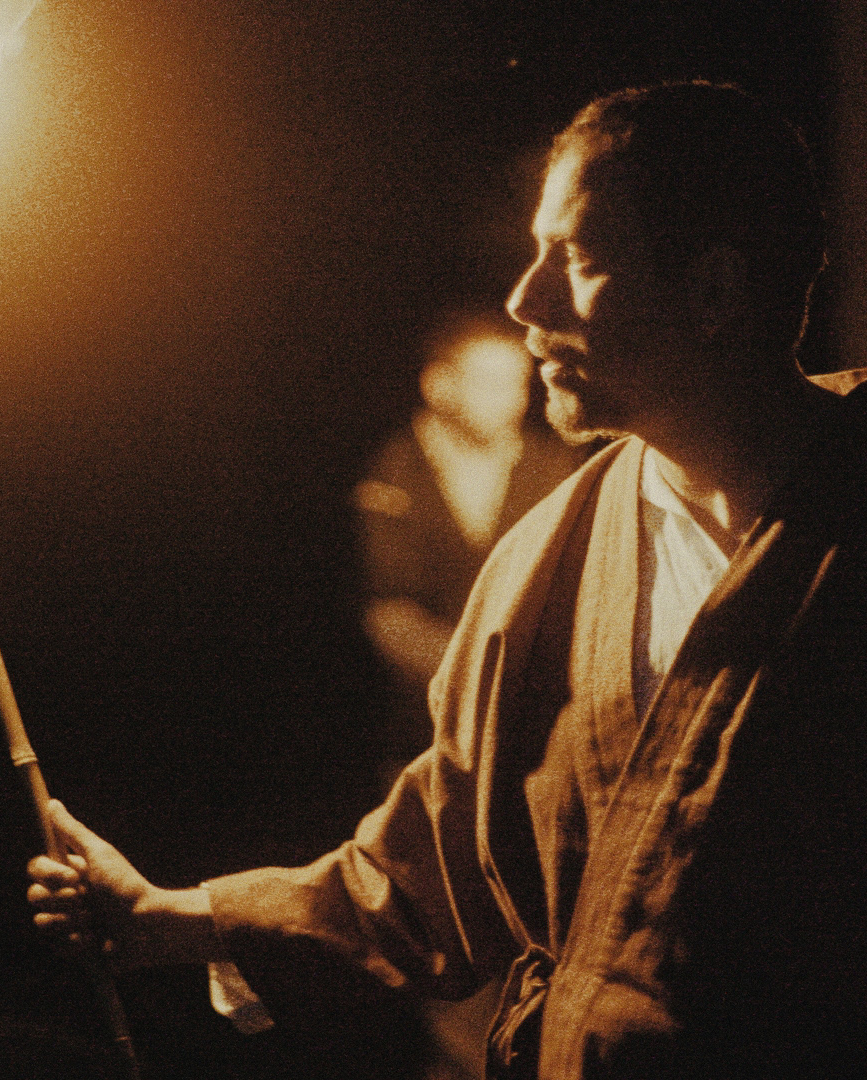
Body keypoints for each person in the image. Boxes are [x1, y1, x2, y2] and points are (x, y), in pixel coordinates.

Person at [30, 82, 867, 1077]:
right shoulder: (547, 558)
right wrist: (176, 918)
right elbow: (433, 869)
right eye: (533, 254)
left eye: (578, 258)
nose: (525, 300)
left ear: (713, 288)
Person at [356, 319, 584, 1079]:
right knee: (442, 928)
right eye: (489, 380)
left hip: (542, 748)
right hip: (426, 742)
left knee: (542, 928)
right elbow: (389, 613)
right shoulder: (396, 471)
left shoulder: (556, 467)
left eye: (517, 381)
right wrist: (481, 686)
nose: (511, 398)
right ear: (439, 383)